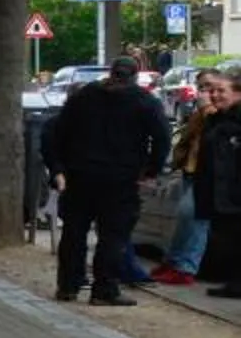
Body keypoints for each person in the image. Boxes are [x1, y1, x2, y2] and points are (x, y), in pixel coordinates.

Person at [43, 55, 173, 306]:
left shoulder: (84, 97)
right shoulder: (145, 102)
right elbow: (162, 140)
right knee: (113, 235)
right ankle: (104, 288)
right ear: (135, 75)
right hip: (121, 178)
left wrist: (59, 168)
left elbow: (58, 132)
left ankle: (68, 285)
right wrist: (150, 171)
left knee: (74, 232)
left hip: (79, 175)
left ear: (111, 72)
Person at [155, 71, 232, 285]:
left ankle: (185, 266)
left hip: (207, 172)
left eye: (211, 87)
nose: (207, 92)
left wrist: (206, 107)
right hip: (192, 169)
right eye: (202, 87)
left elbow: (217, 132)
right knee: (185, 217)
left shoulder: (216, 111)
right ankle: (174, 261)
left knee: (194, 218)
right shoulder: (201, 112)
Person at [204, 80, 241, 297]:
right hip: (223, 194)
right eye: (212, 91)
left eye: (221, 91)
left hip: (233, 193)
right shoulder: (217, 119)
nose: (215, 95)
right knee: (230, 241)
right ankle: (234, 283)